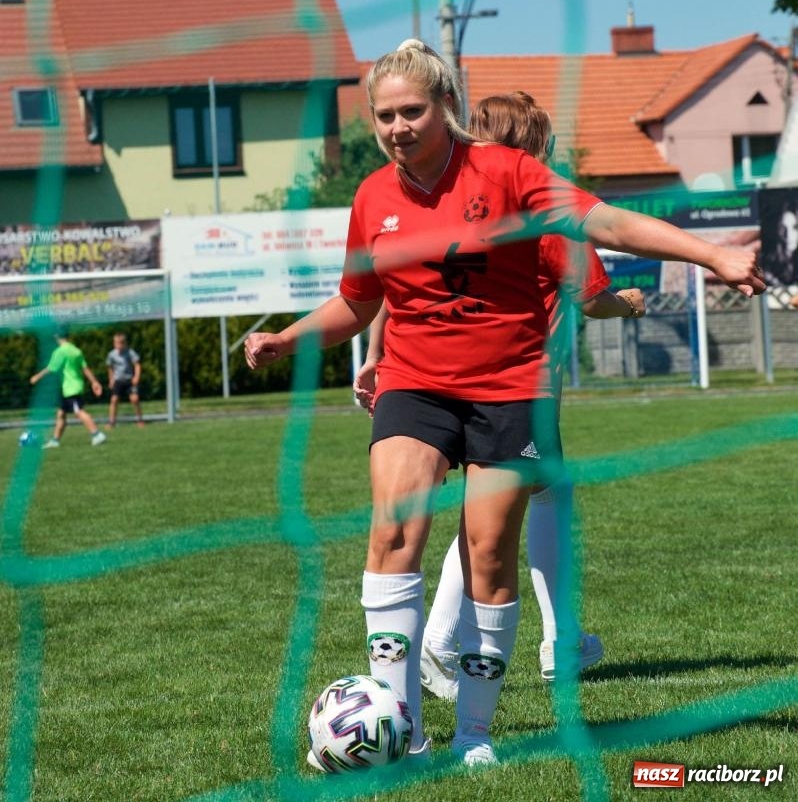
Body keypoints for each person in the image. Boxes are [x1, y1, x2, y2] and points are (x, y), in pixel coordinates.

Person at [244, 39, 763, 769]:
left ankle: (475, 738)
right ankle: (406, 739)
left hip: (510, 388)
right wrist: (289, 337)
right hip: (415, 382)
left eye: (412, 111)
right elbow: (359, 303)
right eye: (385, 115)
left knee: (488, 551)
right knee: (394, 531)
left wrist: (710, 255)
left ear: (445, 107)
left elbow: (606, 223)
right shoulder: (372, 199)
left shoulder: (509, 172)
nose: (399, 127)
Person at [353, 91, 647, 700]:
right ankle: (484, 642)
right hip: (519, 382)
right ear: (535, 144)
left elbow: (392, 287)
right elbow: (590, 295)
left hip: (480, 380)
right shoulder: (534, 201)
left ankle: (549, 640)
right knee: (503, 515)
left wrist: (376, 354)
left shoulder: (455, 197)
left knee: (507, 509)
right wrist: (627, 305)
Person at [30, 330, 107, 448]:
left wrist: (37, 377)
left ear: (57, 337)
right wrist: (94, 382)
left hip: (70, 388)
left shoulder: (60, 351)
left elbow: (51, 368)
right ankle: (55, 441)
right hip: (75, 386)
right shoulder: (76, 350)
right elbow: (85, 368)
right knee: (61, 414)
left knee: (79, 411)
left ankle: (97, 434)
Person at [106, 331, 145, 427]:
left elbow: (137, 365)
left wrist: (136, 377)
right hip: (118, 380)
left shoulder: (130, 352)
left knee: (135, 399)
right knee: (114, 400)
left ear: (125, 343)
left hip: (129, 380)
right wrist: (111, 379)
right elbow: (110, 368)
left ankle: (140, 420)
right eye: (116, 343)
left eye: (120, 343)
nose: (118, 345)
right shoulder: (112, 354)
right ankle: (112, 422)